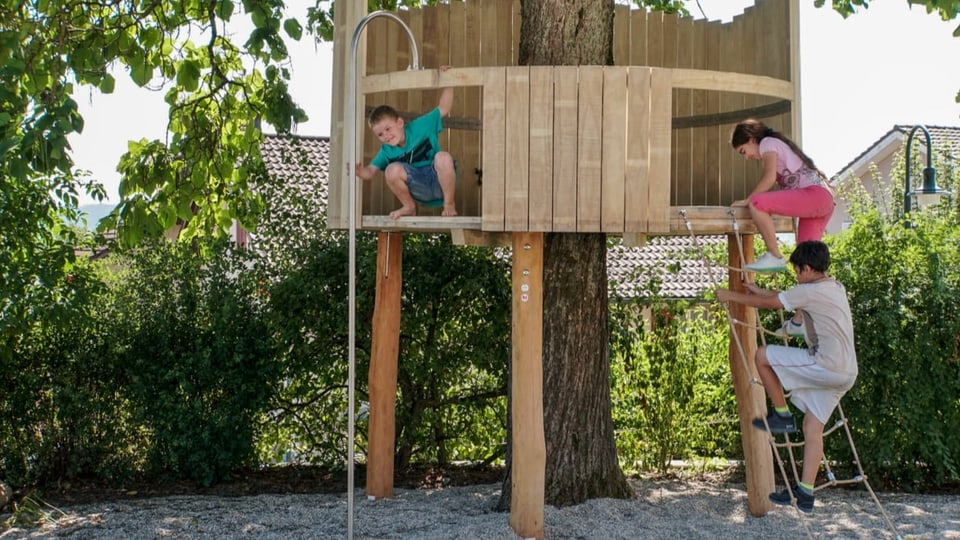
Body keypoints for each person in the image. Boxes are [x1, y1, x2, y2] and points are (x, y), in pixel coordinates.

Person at [715, 240, 857, 514]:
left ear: (806, 269)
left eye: (797, 271)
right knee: (812, 428)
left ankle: (781, 413)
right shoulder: (833, 286)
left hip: (826, 365)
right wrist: (758, 290)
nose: (796, 276)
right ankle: (805, 493)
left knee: (763, 355)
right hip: (847, 372)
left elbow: (772, 303)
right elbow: (785, 297)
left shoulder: (809, 291)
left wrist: (730, 296)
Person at [730, 119, 835, 273]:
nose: (747, 157)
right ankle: (821, 288)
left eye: (744, 151)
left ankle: (774, 255)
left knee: (756, 202)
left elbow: (769, 178)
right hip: (824, 201)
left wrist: (747, 200)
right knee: (806, 263)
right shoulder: (775, 144)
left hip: (815, 196)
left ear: (751, 139)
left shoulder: (767, 143)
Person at [354, 65, 457, 219]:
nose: (386, 136)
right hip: (418, 187)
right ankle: (409, 206)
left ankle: (449, 204)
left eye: (388, 129)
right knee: (391, 170)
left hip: (439, 181)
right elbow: (371, 171)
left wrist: (449, 81)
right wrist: (361, 172)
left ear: (400, 123)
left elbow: (443, 108)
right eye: (380, 134)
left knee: (442, 157)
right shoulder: (386, 151)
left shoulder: (420, 126)